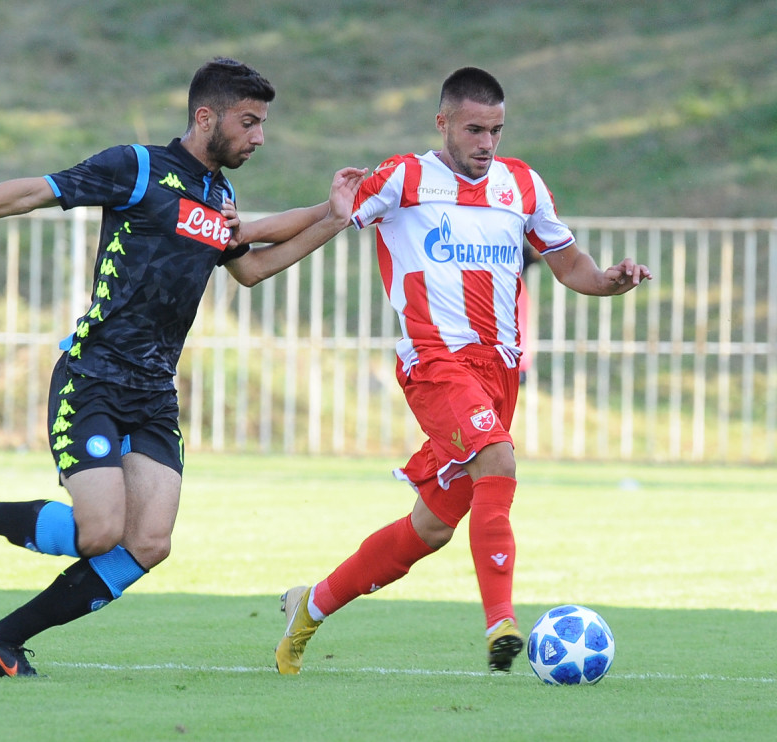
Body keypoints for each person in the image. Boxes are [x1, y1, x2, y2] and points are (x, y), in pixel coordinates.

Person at [0, 57, 366, 677]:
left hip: (153, 392)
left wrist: (333, 217)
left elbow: (249, 266)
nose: (259, 138)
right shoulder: (135, 168)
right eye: (248, 123)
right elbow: (38, 189)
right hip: (93, 376)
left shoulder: (218, 196)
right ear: (205, 116)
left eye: (262, 124)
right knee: (98, 532)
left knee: (148, 543)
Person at [242, 66, 652, 674]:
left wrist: (610, 283)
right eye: (474, 129)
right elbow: (324, 215)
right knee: (499, 460)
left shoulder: (523, 185)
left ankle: (310, 606)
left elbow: (570, 267)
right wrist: (240, 235)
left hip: (498, 372)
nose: (487, 143)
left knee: (430, 529)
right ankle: (500, 624)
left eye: (497, 130)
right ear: (443, 123)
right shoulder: (404, 178)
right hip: (435, 365)